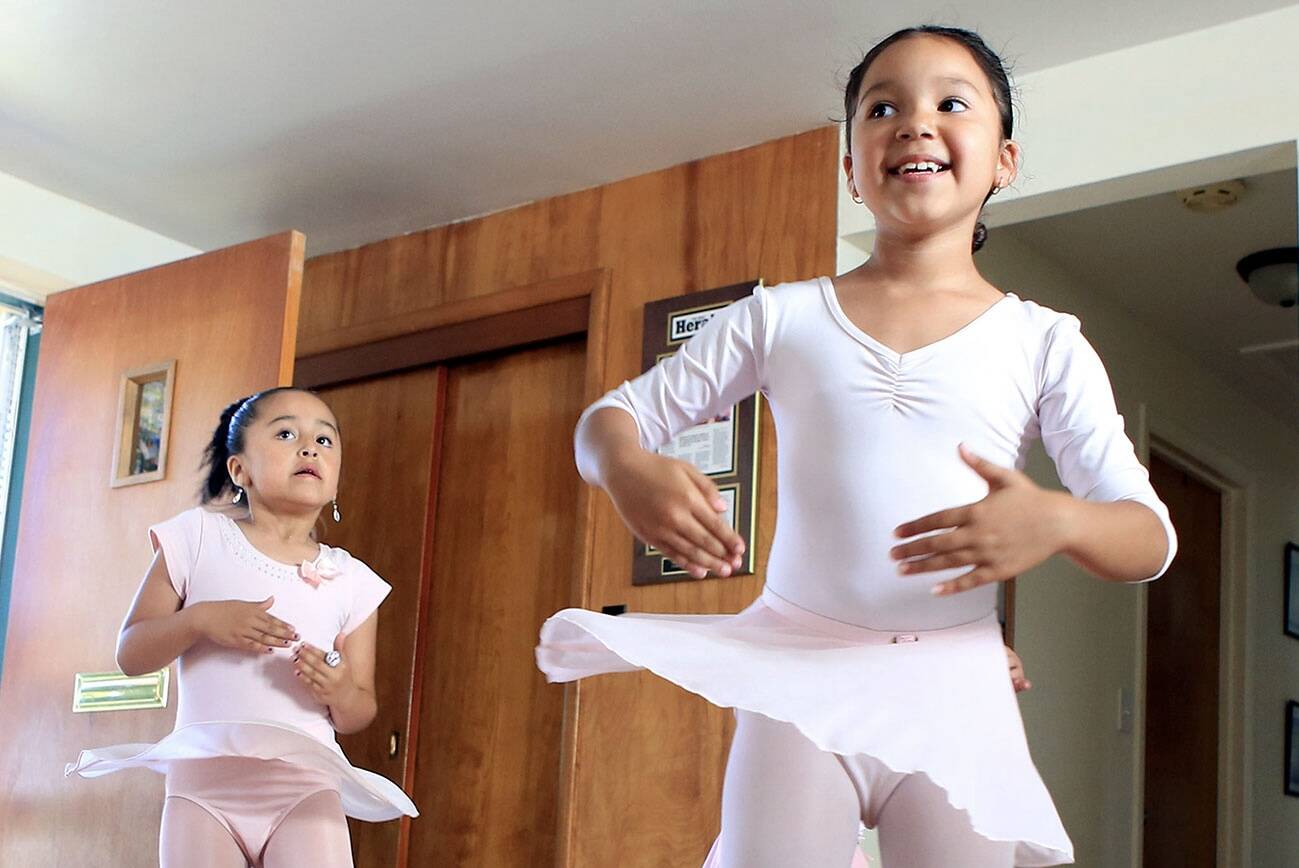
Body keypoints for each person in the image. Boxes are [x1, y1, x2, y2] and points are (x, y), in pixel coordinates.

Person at [537, 25, 1175, 868]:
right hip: (798, 675)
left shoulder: (1043, 341)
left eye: (950, 102)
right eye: (882, 108)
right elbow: (608, 421)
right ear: (850, 169)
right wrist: (626, 466)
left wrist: (1057, 521)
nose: (913, 122)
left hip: (953, 687)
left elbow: (1147, 537)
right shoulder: (779, 317)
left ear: (1004, 161)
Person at [66, 387, 416, 868]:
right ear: (240, 470)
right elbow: (131, 653)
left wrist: (337, 689)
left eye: (325, 440)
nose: (309, 448)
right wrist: (201, 620)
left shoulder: (353, 580)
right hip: (201, 792)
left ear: (335, 480)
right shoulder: (197, 537)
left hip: (305, 790)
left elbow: (358, 711)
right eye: (287, 433)